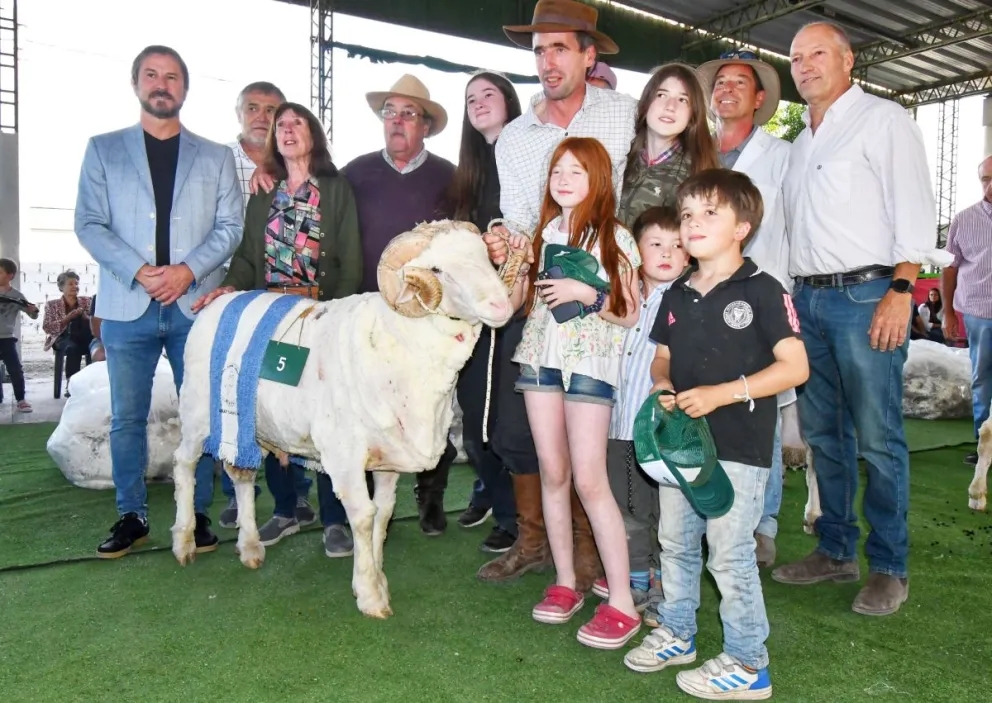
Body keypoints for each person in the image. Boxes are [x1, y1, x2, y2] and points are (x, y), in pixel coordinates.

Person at [772, 23, 941, 616]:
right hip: (808, 299)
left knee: (878, 436)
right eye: (796, 57)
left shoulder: (883, 120)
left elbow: (914, 208)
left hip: (869, 294)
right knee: (824, 435)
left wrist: (902, 289)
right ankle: (836, 549)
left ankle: (890, 566)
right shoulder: (800, 144)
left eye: (817, 53)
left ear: (848, 60)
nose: (805, 65)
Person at [624, 169, 808, 700]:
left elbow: (795, 368)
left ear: (742, 228)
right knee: (675, 542)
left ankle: (749, 664)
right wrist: (663, 385)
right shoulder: (677, 293)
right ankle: (677, 632)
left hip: (739, 449)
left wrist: (722, 394)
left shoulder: (764, 290)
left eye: (710, 213)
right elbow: (662, 358)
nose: (693, 223)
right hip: (682, 446)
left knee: (728, 555)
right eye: (687, 214)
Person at [479, 0, 637, 592]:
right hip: (540, 291)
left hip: (614, 284)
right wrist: (504, 242)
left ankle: (599, 552)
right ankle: (537, 543)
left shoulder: (624, 113)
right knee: (518, 433)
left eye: (560, 48)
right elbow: (520, 218)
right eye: (540, 50)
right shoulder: (515, 137)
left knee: (607, 441)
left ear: (589, 56)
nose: (547, 61)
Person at [74, 45, 243, 559]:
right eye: (151, 75)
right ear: (136, 84)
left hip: (195, 306)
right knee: (127, 417)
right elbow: (89, 224)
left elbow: (230, 227)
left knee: (201, 413)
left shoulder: (215, 157)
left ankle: (199, 512)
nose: (161, 84)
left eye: (171, 76)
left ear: (184, 88)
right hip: (128, 305)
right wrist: (139, 271)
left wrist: (187, 270)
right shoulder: (103, 149)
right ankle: (133, 515)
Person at [194, 102, 361, 558]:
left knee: (327, 416)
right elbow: (248, 256)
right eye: (281, 125)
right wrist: (229, 286)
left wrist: (336, 318)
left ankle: (335, 517)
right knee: (274, 412)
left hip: (320, 318)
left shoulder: (335, 188)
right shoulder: (264, 192)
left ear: (313, 134)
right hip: (272, 318)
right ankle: (287, 509)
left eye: (297, 123)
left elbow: (350, 257)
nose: (287, 130)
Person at [507, 137, 642, 649]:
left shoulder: (615, 237)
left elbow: (629, 313)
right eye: (557, 170)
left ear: (598, 179)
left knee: (590, 479)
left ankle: (622, 602)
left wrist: (589, 293)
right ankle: (565, 582)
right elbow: (516, 304)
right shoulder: (541, 234)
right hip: (540, 358)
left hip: (589, 363)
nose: (563, 180)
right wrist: (513, 266)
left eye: (576, 171)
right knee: (553, 473)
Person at [698, 48, 794, 568]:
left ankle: (763, 524)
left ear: (759, 99)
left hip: (761, 294)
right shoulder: (699, 152)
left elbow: (796, 226)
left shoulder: (782, 156)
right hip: (702, 295)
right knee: (706, 403)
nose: (727, 89)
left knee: (762, 409)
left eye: (740, 82)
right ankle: (709, 512)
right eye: (721, 82)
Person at [218, 80, 313, 532]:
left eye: (271, 110)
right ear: (239, 113)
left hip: (290, 305)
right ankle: (239, 493)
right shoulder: (220, 161)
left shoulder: (299, 172)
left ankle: (297, 493)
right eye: (252, 107)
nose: (262, 117)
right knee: (237, 396)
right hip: (234, 294)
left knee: (288, 394)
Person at [443, 70, 522, 553]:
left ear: (510, 101)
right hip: (475, 312)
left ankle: (516, 520)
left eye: (489, 93)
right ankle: (495, 495)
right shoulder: (466, 175)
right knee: (475, 422)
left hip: (521, 308)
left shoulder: (528, 158)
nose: (478, 102)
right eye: (471, 97)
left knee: (509, 423)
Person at [598, 205, 687, 615]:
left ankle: (664, 583)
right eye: (655, 244)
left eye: (677, 245)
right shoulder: (623, 295)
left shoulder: (686, 302)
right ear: (635, 250)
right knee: (624, 504)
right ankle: (634, 578)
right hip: (619, 423)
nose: (667, 253)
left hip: (662, 429)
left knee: (664, 511)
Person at [617, 63, 719, 228]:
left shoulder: (700, 172)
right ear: (646, 103)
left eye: (683, 100)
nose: (670, 107)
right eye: (661, 95)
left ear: (693, 115)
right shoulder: (618, 154)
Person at [942, 154, 992, 464]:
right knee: (982, 378)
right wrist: (947, 312)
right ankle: (984, 445)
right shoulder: (964, 219)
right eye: (986, 179)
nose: (990, 185)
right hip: (979, 312)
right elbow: (949, 268)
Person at [42, 270, 94, 396]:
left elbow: (95, 321)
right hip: (63, 338)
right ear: (61, 287)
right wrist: (67, 318)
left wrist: (85, 317)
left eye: (76, 283)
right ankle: (72, 385)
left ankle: (93, 384)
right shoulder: (52, 305)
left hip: (85, 337)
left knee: (95, 348)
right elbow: (47, 327)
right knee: (72, 348)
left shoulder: (87, 301)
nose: (75, 286)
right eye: (70, 284)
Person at [0, 258, 40, 412]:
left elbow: (33, 315)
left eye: (0, 272)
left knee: (15, 369)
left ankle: (21, 400)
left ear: (10, 275)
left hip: (6, 339)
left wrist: (33, 310)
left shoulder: (17, 296)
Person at [88, 294, 106, 362]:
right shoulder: (98, 297)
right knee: (99, 355)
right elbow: (96, 331)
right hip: (102, 340)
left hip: (131, 340)